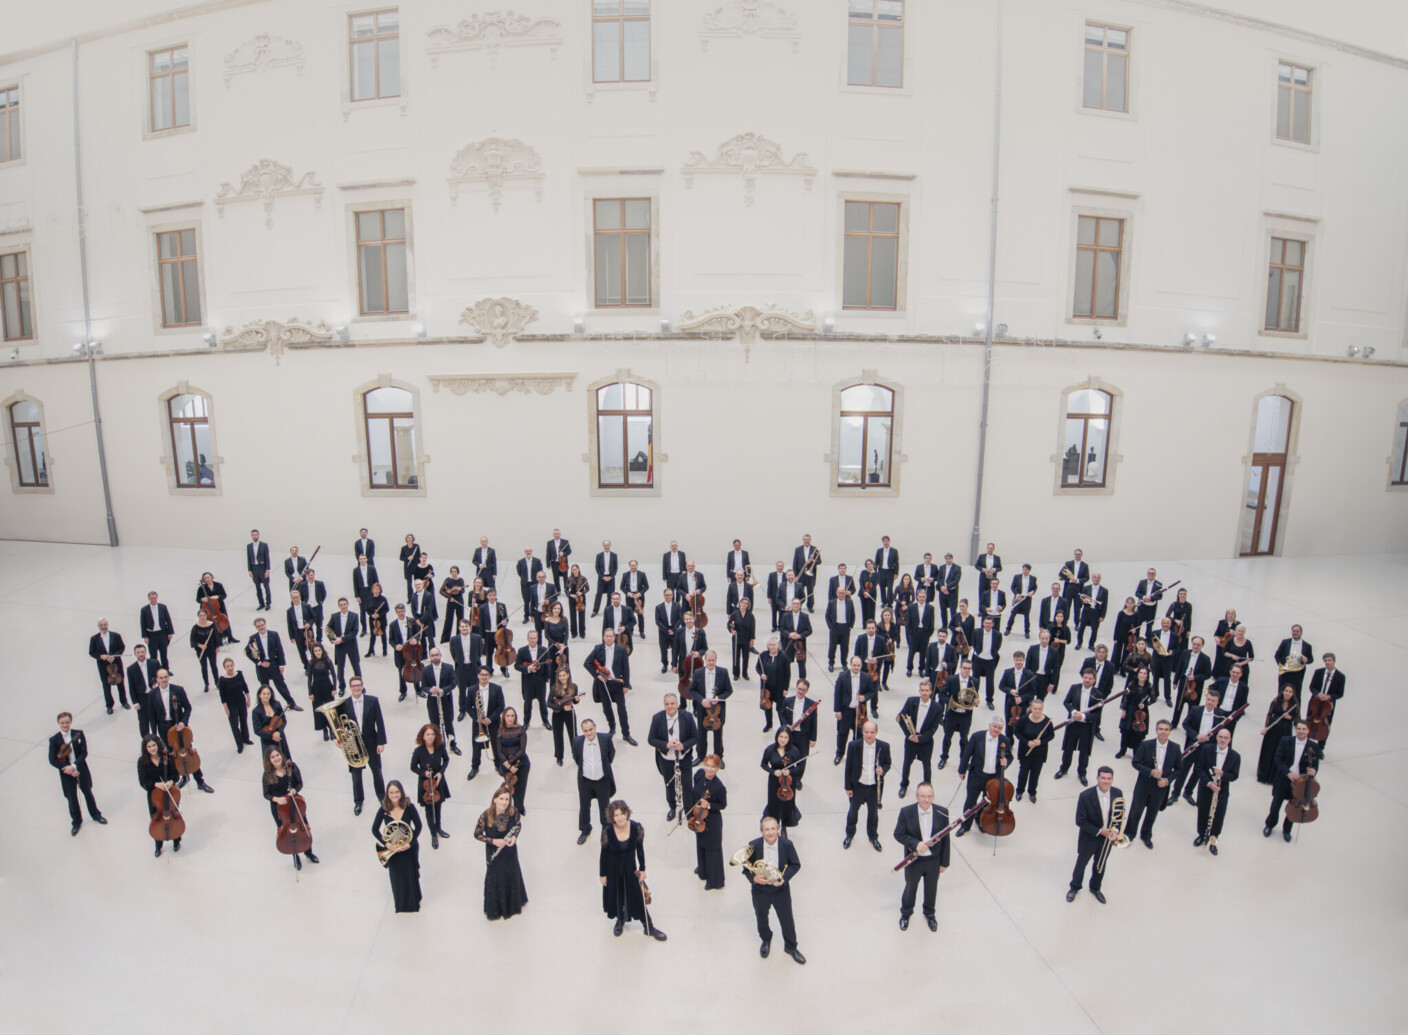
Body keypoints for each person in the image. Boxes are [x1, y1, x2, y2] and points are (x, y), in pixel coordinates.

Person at [600, 801, 666, 940]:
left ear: (627, 813)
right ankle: (620, 921)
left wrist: (642, 869)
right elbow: (604, 854)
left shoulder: (636, 827)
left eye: (622, 814)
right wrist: (602, 874)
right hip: (613, 871)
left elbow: (640, 850)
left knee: (638, 897)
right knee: (617, 897)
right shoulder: (608, 830)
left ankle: (649, 927)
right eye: (616, 815)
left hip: (630, 870)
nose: (619, 818)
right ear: (612, 817)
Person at [742, 816, 805, 963]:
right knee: (761, 917)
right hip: (760, 890)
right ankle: (766, 939)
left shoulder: (787, 844)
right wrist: (754, 879)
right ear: (761, 831)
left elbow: (796, 865)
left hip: (780, 890)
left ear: (778, 830)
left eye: (772, 829)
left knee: (787, 919)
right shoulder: (753, 845)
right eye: (766, 829)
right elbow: (745, 868)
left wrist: (784, 879)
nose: (770, 832)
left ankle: (791, 947)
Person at [146, 670, 214, 793]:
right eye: (161, 678)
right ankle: (184, 776)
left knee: (187, 751)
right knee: (174, 755)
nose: (164, 679)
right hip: (164, 728)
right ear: (157, 679)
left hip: (178, 726)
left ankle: (200, 781)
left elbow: (188, 707)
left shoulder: (178, 690)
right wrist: (154, 735)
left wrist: (183, 722)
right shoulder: (152, 694)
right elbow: (151, 715)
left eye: (166, 677)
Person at [893, 782, 949, 931]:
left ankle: (929, 913)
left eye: (930, 796)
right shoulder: (906, 812)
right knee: (910, 888)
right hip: (914, 860)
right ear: (917, 796)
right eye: (923, 796)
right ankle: (906, 913)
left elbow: (946, 840)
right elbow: (898, 834)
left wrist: (944, 862)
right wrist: (915, 844)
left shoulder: (942, 812)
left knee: (932, 889)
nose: (926, 800)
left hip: (933, 860)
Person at [1066, 766, 1122, 904]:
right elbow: (1080, 820)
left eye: (1109, 778)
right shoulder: (1085, 796)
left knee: (1100, 864)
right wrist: (1099, 831)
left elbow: (1119, 816)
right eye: (1103, 778)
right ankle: (1074, 887)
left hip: (1108, 838)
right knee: (1081, 863)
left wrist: (1115, 831)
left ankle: (1095, 888)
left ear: (1112, 779)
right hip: (1090, 837)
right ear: (1097, 778)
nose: (1106, 781)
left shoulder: (1118, 793)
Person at [1124, 720, 1182, 848]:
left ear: (1170, 732)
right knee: (1136, 811)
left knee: (1152, 812)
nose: (1163, 732)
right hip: (1143, 784)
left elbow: (1179, 769)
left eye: (1166, 729)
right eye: (1161, 729)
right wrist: (1150, 772)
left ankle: (1146, 835)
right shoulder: (1146, 745)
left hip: (1160, 787)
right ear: (1156, 731)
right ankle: (1129, 834)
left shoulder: (1175, 748)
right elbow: (1136, 763)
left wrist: (1167, 780)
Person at [50, 712, 107, 836]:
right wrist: (67, 768)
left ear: (71, 722)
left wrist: (74, 766)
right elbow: (52, 760)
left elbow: (84, 753)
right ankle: (76, 822)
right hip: (66, 773)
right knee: (72, 798)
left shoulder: (78, 734)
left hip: (80, 768)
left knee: (88, 792)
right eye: (62, 723)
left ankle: (96, 814)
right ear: (58, 724)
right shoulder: (54, 740)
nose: (65, 724)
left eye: (67, 722)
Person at [476, 785, 528, 920]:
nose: (504, 802)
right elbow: (477, 834)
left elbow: (518, 825)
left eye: (507, 799)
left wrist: (514, 837)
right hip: (494, 853)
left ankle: (511, 905)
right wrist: (493, 841)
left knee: (511, 874)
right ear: (494, 799)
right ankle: (496, 909)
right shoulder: (486, 815)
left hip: (510, 852)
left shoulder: (513, 811)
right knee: (495, 877)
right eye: (501, 799)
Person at [261, 747, 318, 870]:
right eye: (273, 757)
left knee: (304, 828)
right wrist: (277, 799)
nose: (276, 758)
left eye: (277, 755)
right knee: (289, 833)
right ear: (269, 760)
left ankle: (308, 852)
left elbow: (299, 783)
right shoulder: (267, 774)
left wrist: (294, 790)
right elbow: (266, 794)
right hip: (280, 809)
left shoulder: (291, 767)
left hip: (295, 804)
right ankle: (295, 856)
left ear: (281, 755)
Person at [336, 677, 387, 814]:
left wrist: (381, 742)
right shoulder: (344, 704)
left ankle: (382, 796)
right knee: (356, 774)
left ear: (362, 686)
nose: (357, 688)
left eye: (359, 685)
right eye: (354, 686)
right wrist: (337, 739)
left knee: (377, 770)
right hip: (354, 744)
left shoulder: (373, 700)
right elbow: (339, 725)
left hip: (371, 741)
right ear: (350, 687)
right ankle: (358, 801)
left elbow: (380, 722)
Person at [372, 781, 422, 912]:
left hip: (408, 848)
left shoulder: (409, 806)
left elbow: (419, 826)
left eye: (396, 792)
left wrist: (409, 844)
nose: (394, 795)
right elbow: (374, 830)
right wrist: (386, 843)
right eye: (391, 792)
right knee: (397, 878)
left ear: (401, 792)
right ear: (387, 794)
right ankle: (401, 905)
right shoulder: (384, 809)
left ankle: (413, 903)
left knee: (410, 875)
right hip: (393, 851)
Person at [955, 716, 1010, 836]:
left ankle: (980, 820)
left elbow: (1009, 756)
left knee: (987, 802)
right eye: (995, 727)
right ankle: (965, 825)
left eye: (999, 728)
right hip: (976, 775)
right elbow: (967, 754)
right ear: (989, 726)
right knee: (970, 802)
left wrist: (1006, 762)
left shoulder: (1005, 740)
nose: (996, 730)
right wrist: (962, 770)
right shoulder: (977, 736)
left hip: (993, 779)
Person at [648, 693, 698, 821]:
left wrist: (683, 746)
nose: (670, 706)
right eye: (667, 704)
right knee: (669, 786)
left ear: (677, 704)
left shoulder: (686, 716)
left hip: (684, 758)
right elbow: (651, 739)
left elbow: (695, 737)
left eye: (672, 703)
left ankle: (689, 811)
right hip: (666, 760)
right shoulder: (657, 718)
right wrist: (666, 744)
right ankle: (672, 807)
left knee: (687, 785)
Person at [1264, 720, 1317, 842]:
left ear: (1308, 731)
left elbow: (1315, 765)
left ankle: (1287, 830)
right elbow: (1278, 758)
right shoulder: (1285, 741)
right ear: (1295, 729)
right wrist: (1288, 773)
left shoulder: (1313, 746)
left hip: (1301, 783)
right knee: (1276, 804)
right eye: (1299, 728)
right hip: (1284, 778)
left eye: (1304, 729)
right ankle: (1269, 825)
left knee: (1295, 806)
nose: (1301, 731)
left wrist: (1313, 771)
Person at [842, 720, 891, 851]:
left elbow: (887, 763)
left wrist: (883, 770)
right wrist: (848, 787)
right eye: (866, 732)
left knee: (873, 813)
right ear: (862, 732)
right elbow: (848, 768)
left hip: (874, 787)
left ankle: (873, 836)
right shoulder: (853, 745)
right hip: (858, 785)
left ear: (876, 732)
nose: (869, 735)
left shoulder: (884, 746)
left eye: (872, 732)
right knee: (853, 811)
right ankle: (849, 835)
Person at [1170, 688, 1224, 804]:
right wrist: (1196, 735)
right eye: (1208, 699)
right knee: (1183, 770)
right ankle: (1175, 793)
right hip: (1193, 745)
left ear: (1217, 702)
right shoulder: (1196, 710)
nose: (1210, 702)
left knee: (1198, 772)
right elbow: (1185, 724)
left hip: (1207, 749)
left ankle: (1188, 792)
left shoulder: (1220, 715)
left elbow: (1220, 733)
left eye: (1213, 701)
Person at [1192, 727, 1240, 855]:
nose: (1223, 740)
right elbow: (1198, 768)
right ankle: (1202, 835)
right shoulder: (1206, 749)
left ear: (1229, 740)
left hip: (1222, 791)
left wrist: (1223, 774)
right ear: (1217, 737)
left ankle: (1213, 840)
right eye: (1221, 737)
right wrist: (1209, 783)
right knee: (1203, 812)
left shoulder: (1235, 756)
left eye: (1226, 738)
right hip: (1206, 788)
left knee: (1219, 816)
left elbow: (1234, 776)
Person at [1053, 670, 1104, 786]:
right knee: (1068, 748)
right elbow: (1066, 702)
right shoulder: (1074, 688)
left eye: (1090, 678)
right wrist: (1073, 712)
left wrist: (1084, 716)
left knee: (1084, 751)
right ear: (1083, 677)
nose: (1087, 680)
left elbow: (1097, 714)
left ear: (1094, 680)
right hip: (1073, 723)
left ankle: (1082, 773)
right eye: (1086, 677)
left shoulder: (1098, 694)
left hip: (1087, 726)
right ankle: (1064, 768)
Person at [585, 627, 634, 745]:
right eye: (607, 636)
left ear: (614, 637)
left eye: (611, 636)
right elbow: (587, 663)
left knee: (622, 709)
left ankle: (626, 734)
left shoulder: (621, 650)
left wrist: (626, 684)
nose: (609, 638)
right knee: (607, 708)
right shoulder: (598, 648)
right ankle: (612, 728)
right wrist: (597, 675)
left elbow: (625, 668)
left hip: (617, 683)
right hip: (603, 684)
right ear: (603, 637)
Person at [573, 719, 616, 844]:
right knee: (584, 806)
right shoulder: (577, 742)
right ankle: (585, 829)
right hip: (585, 781)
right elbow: (576, 758)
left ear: (595, 728)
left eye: (591, 729)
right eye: (586, 730)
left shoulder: (605, 738)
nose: (589, 733)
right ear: (583, 731)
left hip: (602, 780)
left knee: (604, 807)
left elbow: (611, 755)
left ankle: (606, 829)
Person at [138, 734, 182, 857]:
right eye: (149, 746)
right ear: (145, 748)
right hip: (154, 796)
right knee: (156, 819)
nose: (152, 748)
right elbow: (143, 782)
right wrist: (157, 784)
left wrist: (170, 782)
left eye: (154, 745)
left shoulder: (167, 756)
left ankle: (176, 840)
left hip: (170, 792)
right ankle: (158, 845)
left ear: (158, 744)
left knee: (173, 816)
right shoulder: (142, 762)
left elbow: (176, 775)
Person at [896, 679, 941, 796]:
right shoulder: (911, 701)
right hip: (911, 739)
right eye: (922, 690)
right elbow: (901, 718)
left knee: (927, 766)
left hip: (926, 741)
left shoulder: (937, 707)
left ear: (931, 691)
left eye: (927, 690)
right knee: (906, 763)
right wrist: (910, 735)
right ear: (919, 691)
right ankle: (904, 785)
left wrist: (920, 739)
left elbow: (934, 728)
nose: (924, 693)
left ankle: (927, 789)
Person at [688, 650, 733, 766]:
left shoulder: (723, 672)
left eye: (713, 660)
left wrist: (718, 697)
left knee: (718, 733)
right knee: (701, 733)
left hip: (717, 708)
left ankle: (718, 757)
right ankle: (700, 756)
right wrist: (701, 700)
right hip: (703, 707)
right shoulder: (698, 673)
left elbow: (729, 690)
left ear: (716, 660)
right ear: (705, 661)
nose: (711, 663)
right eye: (709, 660)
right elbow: (692, 690)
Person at [410, 723, 451, 848]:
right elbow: (412, 767)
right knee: (429, 809)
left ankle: (438, 828)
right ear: (423, 736)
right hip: (426, 784)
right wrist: (424, 773)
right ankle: (433, 834)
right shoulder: (418, 751)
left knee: (438, 805)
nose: (430, 737)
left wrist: (440, 773)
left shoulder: (440, 747)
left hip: (438, 782)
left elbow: (446, 759)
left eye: (432, 734)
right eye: (427, 734)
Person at [691, 755, 728, 889]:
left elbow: (723, 805)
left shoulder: (719, 787)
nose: (709, 769)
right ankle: (703, 870)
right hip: (699, 817)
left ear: (718, 768)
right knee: (701, 844)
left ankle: (714, 881)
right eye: (707, 765)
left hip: (712, 821)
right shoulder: (699, 775)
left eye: (713, 767)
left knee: (712, 850)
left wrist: (709, 805)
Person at [247, 616, 298, 710]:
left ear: (265, 624)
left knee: (281, 685)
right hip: (261, 667)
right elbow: (248, 652)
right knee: (264, 688)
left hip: (273, 664)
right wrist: (259, 663)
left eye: (262, 625)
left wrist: (282, 665)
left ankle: (292, 704)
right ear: (256, 627)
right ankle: (266, 707)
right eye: (258, 626)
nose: (261, 627)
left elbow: (280, 650)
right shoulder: (253, 638)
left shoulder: (274, 634)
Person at [466, 666, 506, 779]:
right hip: (478, 723)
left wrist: (491, 719)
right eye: (482, 674)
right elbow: (468, 707)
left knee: (495, 744)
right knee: (476, 746)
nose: (484, 676)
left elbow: (501, 706)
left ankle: (498, 765)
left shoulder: (497, 688)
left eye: (486, 674)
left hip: (492, 723)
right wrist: (476, 718)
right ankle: (475, 767)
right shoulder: (472, 689)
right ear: (478, 676)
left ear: (490, 676)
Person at [936, 659, 977, 768]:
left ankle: (963, 760)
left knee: (964, 739)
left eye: (969, 668)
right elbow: (942, 693)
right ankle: (944, 757)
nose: (967, 671)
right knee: (947, 737)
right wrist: (950, 702)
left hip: (966, 715)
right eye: (965, 668)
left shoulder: (974, 681)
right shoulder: (952, 679)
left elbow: (974, 697)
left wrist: (976, 702)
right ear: (960, 668)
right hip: (952, 714)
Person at [1257, 683, 1301, 784]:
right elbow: (1269, 714)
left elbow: (1298, 719)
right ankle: (1265, 775)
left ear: (1293, 693)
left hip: (1285, 731)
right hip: (1273, 730)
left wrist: (1291, 718)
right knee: (1269, 750)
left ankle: (1275, 777)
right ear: (1283, 691)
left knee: (1280, 752)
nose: (1288, 693)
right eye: (1286, 691)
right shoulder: (1276, 701)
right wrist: (1265, 727)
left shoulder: (1294, 704)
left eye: (1290, 692)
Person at [1013, 698, 1055, 802]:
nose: (1037, 711)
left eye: (1039, 709)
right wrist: (1027, 742)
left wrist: (1041, 742)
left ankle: (1032, 792)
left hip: (1040, 751)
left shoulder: (1047, 721)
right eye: (1035, 708)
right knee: (1023, 772)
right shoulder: (1024, 719)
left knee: (1035, 773)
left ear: (1042, 709)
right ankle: (1020, 791)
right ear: (1031, 708)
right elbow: (1017, 732)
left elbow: (1051, 735)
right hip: (1025, 750)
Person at [419, 646, 459, 755]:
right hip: (432, 701)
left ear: (440, 655)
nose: (435, 657)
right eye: (433, 655)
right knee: (434, 724)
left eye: (437, 655)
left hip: (446, 699)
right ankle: (438, 745)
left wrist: (442, 690)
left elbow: (453, 683)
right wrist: (431, 690)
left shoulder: (449, 667)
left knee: (448, 723)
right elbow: (423, 686)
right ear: (430, 657)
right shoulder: (426, 670)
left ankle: (452, 744)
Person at [761, 727, 803, 830]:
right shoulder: (770, 749)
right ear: (777, 737)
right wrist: (773, 771)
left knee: (787, 803)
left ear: (789, 738)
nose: (783, 739)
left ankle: (784, 825)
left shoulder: (794, 750)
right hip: (774, 781)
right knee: (773, 803)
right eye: (781, 736)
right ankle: (774, 825)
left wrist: (790, 771)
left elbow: (800, 767)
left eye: (786, 737)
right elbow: (763, 764)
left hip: (788, 782)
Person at [778, 680, 818, 789]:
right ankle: (787, 778)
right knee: (787, 758)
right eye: (799, 689)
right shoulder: (787, 701)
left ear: (807, 690)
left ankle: (797, 780)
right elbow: (781, 714)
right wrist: (786, 725)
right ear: (796, 688)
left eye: (803, 690)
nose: (801, 692)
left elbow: (814, 722)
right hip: (789, 735)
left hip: (803, 736)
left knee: (801, 760)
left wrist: (813, 739)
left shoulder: (811, 704)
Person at [1114, 666, 1156, 760]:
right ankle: (1122, 750)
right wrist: (1124, 710)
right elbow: (1125, 698)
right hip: (1130, 709)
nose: (1142, 675)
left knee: (1138, 734)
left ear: (1147, 675)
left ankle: (1136, 753)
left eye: (1144, 673)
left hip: (1141, 712)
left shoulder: (1149, 686)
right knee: (1126, 732)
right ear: (1137, 674)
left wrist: (1145, 705)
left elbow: (1153, 699)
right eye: (1140, 673)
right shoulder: (1131, 684)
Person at [1306, 653, 1345, 753]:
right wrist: (1317, 694)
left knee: (1325, 726)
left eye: (1329, 660)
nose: (1327, 662)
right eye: (1325, 660)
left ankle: (1320, 749)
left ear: (1334, 661)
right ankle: (1306, 744)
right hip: (1315, 702)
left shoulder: (1340, 676)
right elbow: (1312, 687)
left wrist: (1329, 697)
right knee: (1309, 722)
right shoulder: (1318, 672)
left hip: (1327, 706)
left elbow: (1340, 694)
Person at [88, 618, 128, 714]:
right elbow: (91, 652)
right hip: (103, 666)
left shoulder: (116, 636)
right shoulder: (94, 639)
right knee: (106, 686)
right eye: (101, 625)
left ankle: (124, 701)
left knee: (120, 682)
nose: (103, 627)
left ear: (108, 625)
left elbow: (122, 648)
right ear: (98, 626)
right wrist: (101, 656)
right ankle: (109, 705)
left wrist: (114, 657)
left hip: (116, 663)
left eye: (105, 624)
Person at [496, 707, 530, 815]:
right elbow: (499, 751)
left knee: (521, 787)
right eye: (508, 716)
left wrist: (511, 762)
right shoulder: (500, 731)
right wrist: (509, 766)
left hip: (521, 762)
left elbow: (522, 750)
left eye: (512, 716)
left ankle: (520, 806)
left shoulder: (520, 730)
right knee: (511, 787)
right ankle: (514, 806)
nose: (510, 718)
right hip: (507, 764)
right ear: (504, 717)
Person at [215, 657, 253, 752]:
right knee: (234, 725)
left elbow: (245, 687)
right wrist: (226, 708)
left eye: (231, 665)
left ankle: (246, 738)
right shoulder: (223, 680)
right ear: (224, 668)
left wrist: (248, 698)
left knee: (244, 720)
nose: (230, 668)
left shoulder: (239, 674)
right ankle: (239, 744)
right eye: (227, 666)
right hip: (231, 705)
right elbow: (222, 696)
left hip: (241, 702)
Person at [326, 597, 362, 691]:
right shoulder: (334, 616)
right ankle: (342, 687)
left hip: (351, 645)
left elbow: (354, 632)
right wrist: (333, 639)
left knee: (356, 666)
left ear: (348, 604)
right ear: (339, 606)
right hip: (339, 646)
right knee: (340, 668)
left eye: (345, 604)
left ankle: (360, 686)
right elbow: (327, 628)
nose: (343, 606)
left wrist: (341, 639)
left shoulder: (354, 616)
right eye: (341, 605)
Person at [756, 636, 792, 731]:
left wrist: (786, 689)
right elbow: (758, 667)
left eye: (774, 645)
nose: (772, 647)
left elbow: (787, 674)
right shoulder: (763, 655)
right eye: (770, 645)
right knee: (767, 706)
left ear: (778, 645)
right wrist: (761, 674)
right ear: (768, 646)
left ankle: (782, 726)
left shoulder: (783, 657)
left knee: (780, 708)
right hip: (766, 687)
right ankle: (769, 724)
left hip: (779, 688)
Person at [548, 667, 580, 766]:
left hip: (570, 713)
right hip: (558, 713)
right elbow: (548, 703)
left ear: (568, 675)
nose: (562, 678)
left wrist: (577, 700)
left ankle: (576, 755)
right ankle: (559, 757)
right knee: (558, 735)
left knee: (573, 735)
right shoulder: (555, 687)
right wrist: (561, 708)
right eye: (560, 676)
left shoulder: (574, 687)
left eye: (564, 675)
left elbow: (574, 701)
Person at [251, 684, 292, 760]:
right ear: (259, 695)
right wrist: (272, 736)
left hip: (279, 736)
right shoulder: (256, 711)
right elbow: (257, 730)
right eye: (264, 694)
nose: (266, 696)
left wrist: (279, 732)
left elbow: (283, 721)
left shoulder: (277, 704)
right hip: (267, 740)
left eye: (268, 693)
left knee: (285, 758)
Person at [127, 644, 160, 737]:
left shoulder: (154, 663)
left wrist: (158, 684)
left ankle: (157, 739)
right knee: (143, 721)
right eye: (138, 652)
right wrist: (135, 702)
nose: (141, 654)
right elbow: (131, 687)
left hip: (155, 695)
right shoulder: (131, 669)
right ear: (135, 654)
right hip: (142, 698)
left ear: (145, 652)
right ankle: (146, 742)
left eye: (142, 652)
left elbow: (163, 675)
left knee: (156, 719)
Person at [1273, 624, 1314, 696]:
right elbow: (1277, 655)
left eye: (1297, 631)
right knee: (1281, 693)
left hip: (1298, 674)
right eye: (1294, 631)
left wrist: (1306, 660)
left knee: (1296, 694)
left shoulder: (1307, 646)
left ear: (1301, 632)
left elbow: (1311, 659)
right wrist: (1282, 666)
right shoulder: (1285, 642)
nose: (1295, 632)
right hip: (1285, 672)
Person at [307, 643, 337, 739]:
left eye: (319, 650)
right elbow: (309, 679)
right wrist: (310, 692)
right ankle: (324, 729)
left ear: (322, 650)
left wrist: (334, 688)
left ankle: (332, 729)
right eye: (316, 651)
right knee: (320, 710)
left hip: (327, 687)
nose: (318, 652)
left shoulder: (327, 661)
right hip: (316, 688)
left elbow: (334, 675)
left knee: (329, 709)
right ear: (313, 652)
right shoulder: (311, 663)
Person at [139, 590, 175, 671]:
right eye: (151, 598)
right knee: (153, 655)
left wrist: (170, 632)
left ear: (157, 598)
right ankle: (155, 671)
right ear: (149, 599)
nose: (153, 600)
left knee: (164, 654)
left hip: (162, 633)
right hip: (151, 635)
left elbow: (168, 619)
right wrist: (145, 636)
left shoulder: (163, 607)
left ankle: (166, 670)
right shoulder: (144, 609)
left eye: (155, 598)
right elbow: (142, 623)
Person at [904, 589, 935, 678]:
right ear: (917, 597)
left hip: (924, 633)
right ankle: (909, 668)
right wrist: (911, 633)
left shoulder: (930, 608)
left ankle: (921, 669)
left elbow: (931, 622)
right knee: (911, 652)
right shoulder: (911, 607)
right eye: (920, 597)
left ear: (926, 597)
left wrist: (928, 633)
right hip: (914, 632)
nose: (921, 598)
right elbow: (908, 622)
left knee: (923, 652)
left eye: (923, 597)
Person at [824, 587, 856, 671]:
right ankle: (831, 663)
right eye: (839, 593)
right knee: (832, 647)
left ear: (845, 593)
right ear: (836, 593)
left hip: (845, 628)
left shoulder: (850, 602)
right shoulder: (831, 602)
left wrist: (850, 626)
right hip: (835, 627)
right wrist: (830, 627)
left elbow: (853, 615)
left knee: (845, 647)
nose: (841, 595)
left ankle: (844, 663)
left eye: (843, 593)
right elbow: (827, 615)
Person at [1075, 573, 1108, 651]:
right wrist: (1084, 601)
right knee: (1081, 628)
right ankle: (1079, 643)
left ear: (1100, 579)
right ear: (1092, 578)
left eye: (1098, 577)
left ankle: (1091, 645)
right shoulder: (1086, 588)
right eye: (1094, 577)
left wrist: (1102, 616)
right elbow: (1081, 598)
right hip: (1086, 611)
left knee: (1094, 630)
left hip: (1096, 613)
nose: (1096, 579)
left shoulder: (1104, 591)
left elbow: (1105, 604)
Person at [729, 596, 757, 681]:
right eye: (742, 603)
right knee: (736, 657)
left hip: (746, 639)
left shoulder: (751, 615)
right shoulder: (734, 614)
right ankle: (736, 674)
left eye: (746, 603)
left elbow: (752, 627)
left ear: (748, 605)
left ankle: (745, 673)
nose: (744, 604)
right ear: (739, 604)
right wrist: (731, 630)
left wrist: (752, 639)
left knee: (746, 657)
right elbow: (729, 624)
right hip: (737, 639)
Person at [247, 529, 272, 610]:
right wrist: (249, 570)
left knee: (266, 587)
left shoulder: (264, 545)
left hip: (263, 567)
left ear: (258, 535)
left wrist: (267, 570)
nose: (254, 536)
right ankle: (261, 604)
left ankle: (268, 603)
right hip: (254, 568)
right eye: (253, 535)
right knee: (257, 587)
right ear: (251, 536)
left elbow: (267, 557)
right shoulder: (249, 546)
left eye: (256, 534)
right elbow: (248, 558)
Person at [592, 540, 617, 616]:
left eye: (608, 545)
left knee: (610, 595)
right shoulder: (599, 555)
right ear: (603, 546)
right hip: (601, 578)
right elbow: (597, 568)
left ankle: (608, 610)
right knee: (598, 594)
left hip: (611, 579)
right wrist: (602, 577)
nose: (606, 546)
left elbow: (615, 568)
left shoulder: (614, 555)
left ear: (610, 545)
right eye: (605, 545)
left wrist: (611, 577)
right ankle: (595, 610)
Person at [363, 583, 389, 658]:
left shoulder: (383, 599)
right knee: (372, 635)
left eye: (378, 589)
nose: (376, 590)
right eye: (375, 589)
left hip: (382, 619)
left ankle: (384, 651)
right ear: (372, 590)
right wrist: (372, 615)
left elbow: (387, 609)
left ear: (380, 590)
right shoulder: (369, 598)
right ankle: (371, 651)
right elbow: (367, 609)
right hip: (372, 620)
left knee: (383, 635)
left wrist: (379, 615)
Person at [566, 564, 591, 640]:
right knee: (572, 616)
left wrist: (582, 593)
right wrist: (570, 595)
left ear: (578, 569)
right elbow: (566, 590)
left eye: (575, 569)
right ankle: (573, 632)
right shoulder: (569, 578)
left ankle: (582, 632)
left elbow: (587, 588)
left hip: (581, 598)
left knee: (582, 615)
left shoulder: (583, 578)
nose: (574, 571)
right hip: (572, 598)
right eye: (573, 570)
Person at [399, 534, 421, 602]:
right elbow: (401, 558)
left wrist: (420, 566)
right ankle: (410, 599)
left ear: (413, 539)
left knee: (417, 583)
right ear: (406, 539)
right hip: (407, 567)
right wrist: (408, 558)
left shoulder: (416, 546)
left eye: (411, 538)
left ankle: (418, 597)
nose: (409, 539)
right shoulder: (403, 548)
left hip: (415, 567)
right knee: (409, 584)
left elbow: (419, 556)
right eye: (408, 538)